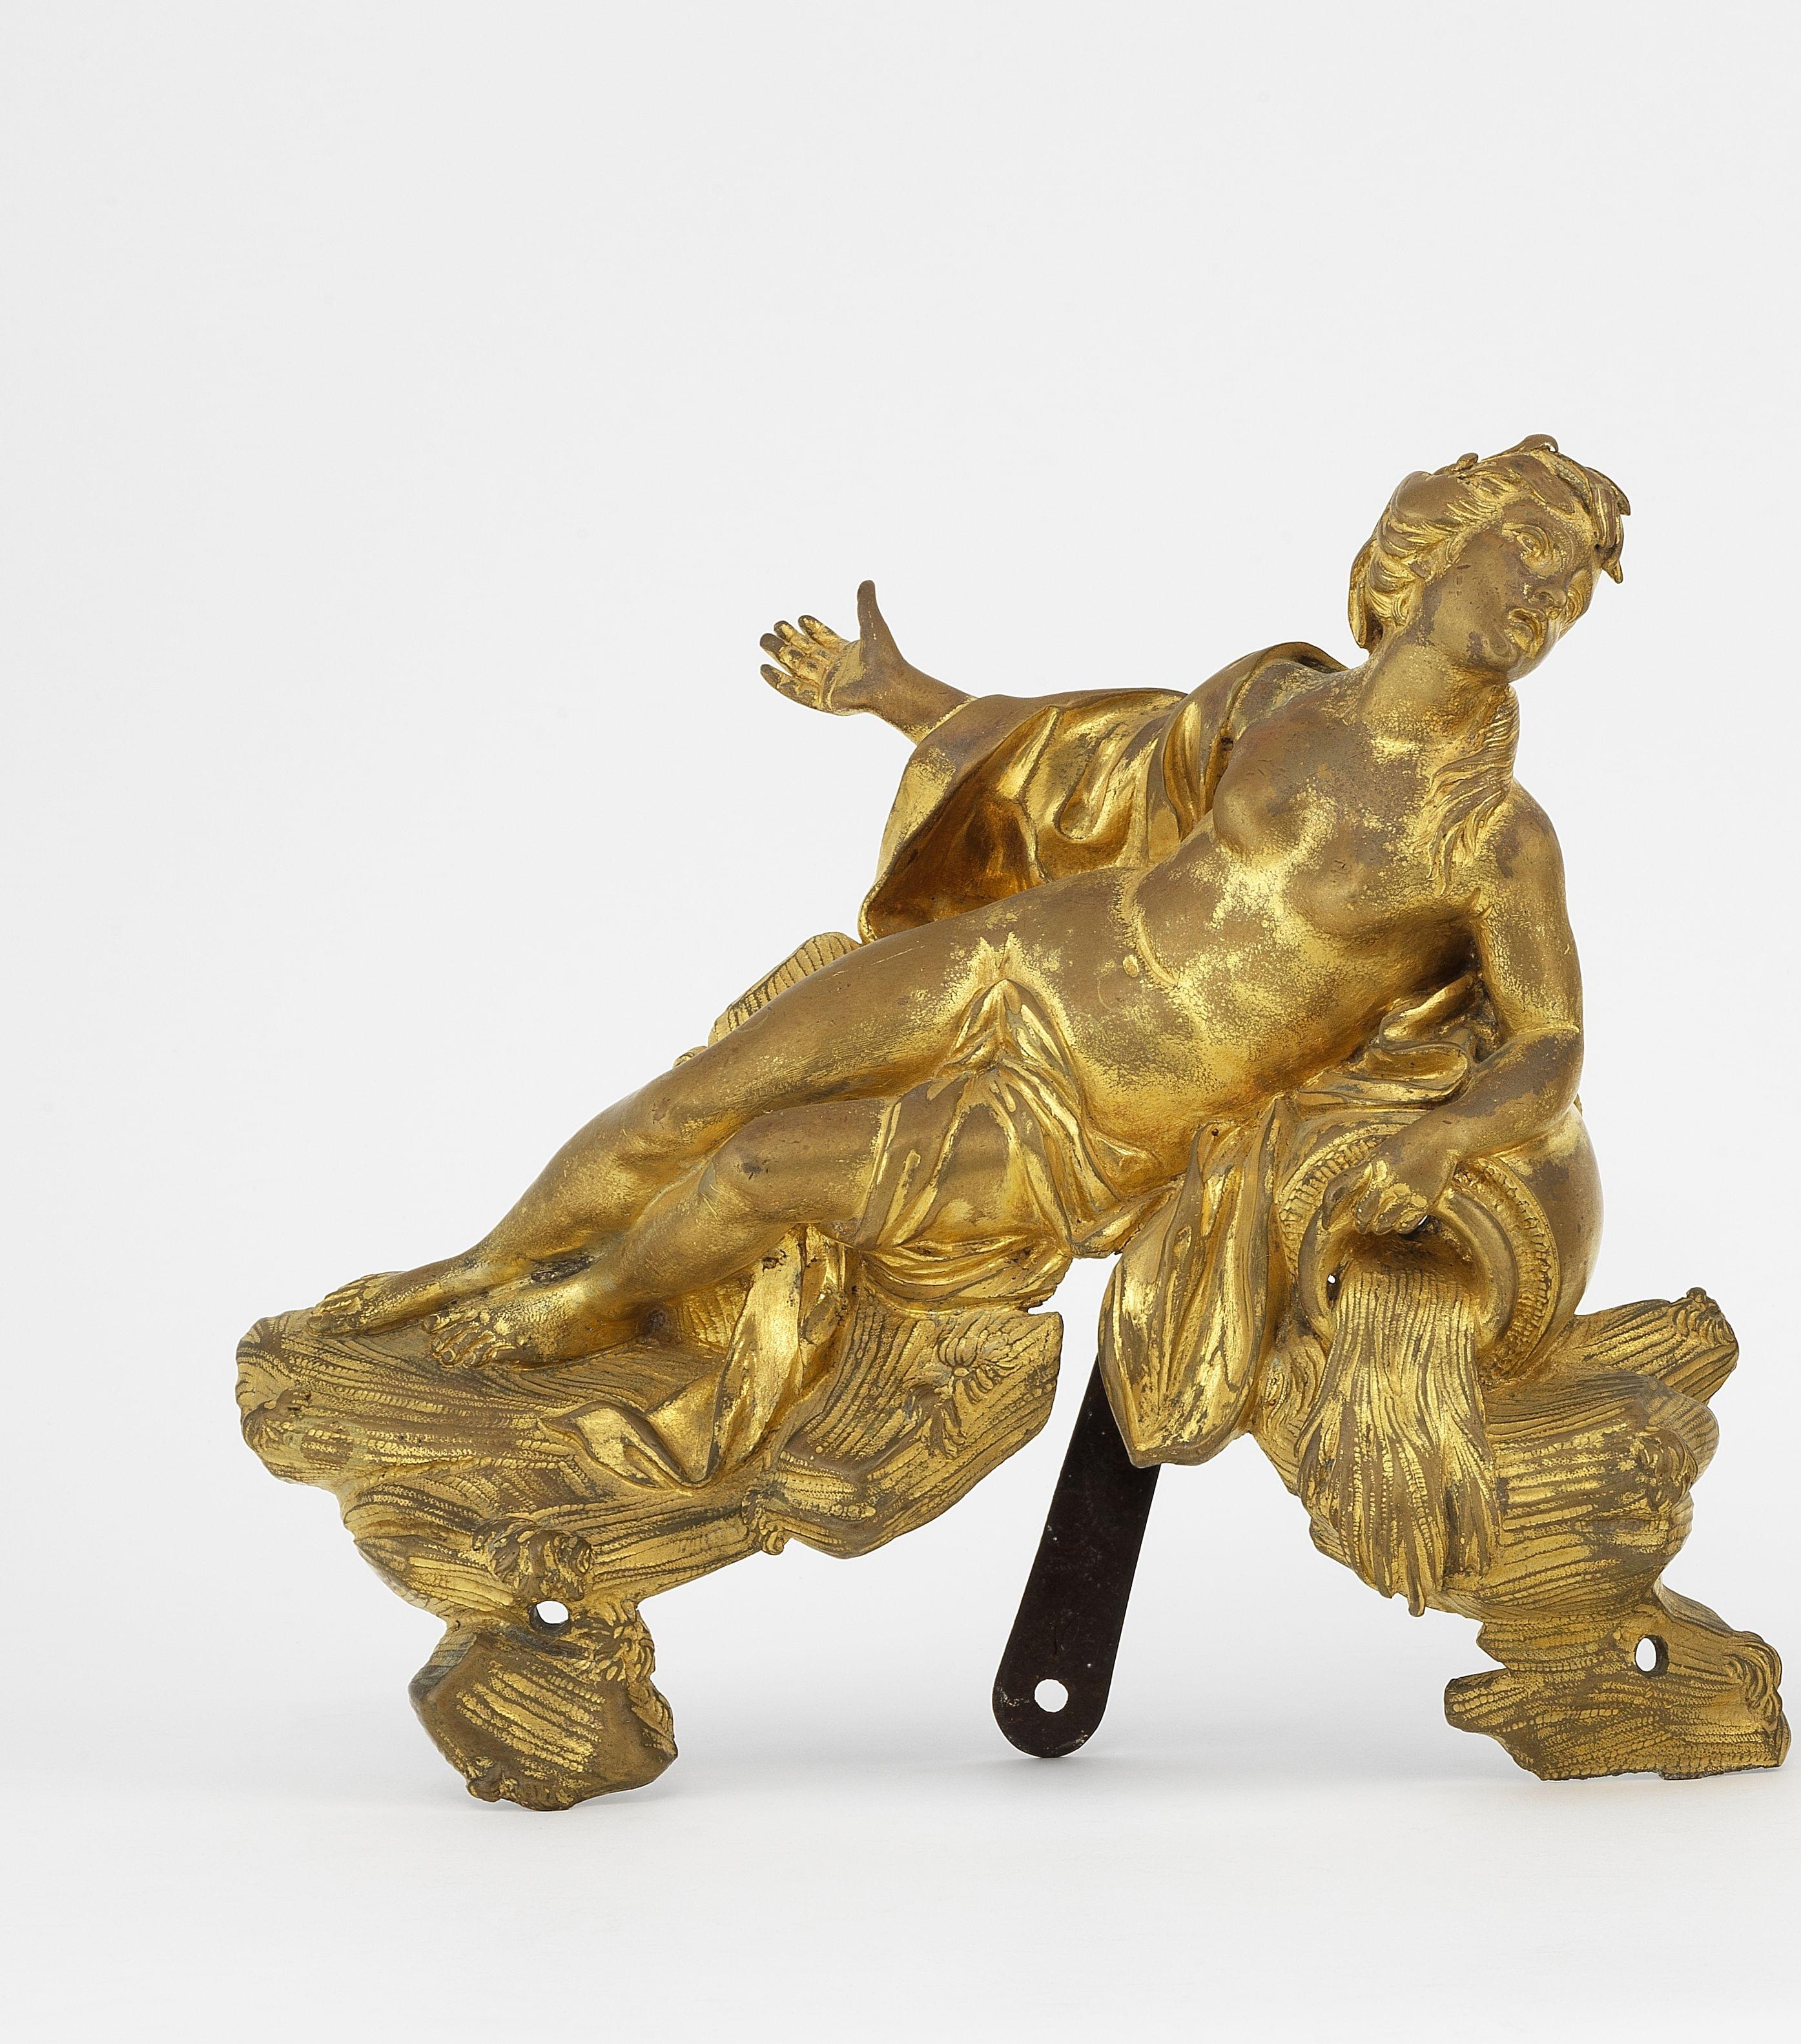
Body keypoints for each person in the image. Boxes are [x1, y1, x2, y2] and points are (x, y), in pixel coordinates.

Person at [331, 437, 1627, 1370]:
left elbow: (1549, 1042)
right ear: (1433, 543)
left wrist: (1447, 1140)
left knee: (760, 1165)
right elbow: (1071, 762)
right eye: (1531, 553)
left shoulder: (1491, 838)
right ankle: (480, 1262)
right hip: (1020, 960)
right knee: (705, 1095)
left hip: (1101, 1121)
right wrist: (890, 696)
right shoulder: (1278, 701)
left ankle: (598, 1298)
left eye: (1569, 589)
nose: (1545, 600)